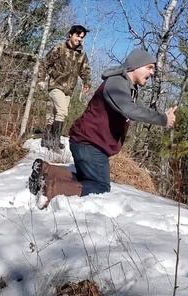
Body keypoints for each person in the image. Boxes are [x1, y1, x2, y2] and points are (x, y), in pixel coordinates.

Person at [29, 48, 177, 209]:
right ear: (135, 66)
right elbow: (131, 110)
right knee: (100, 187)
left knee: (87, 178)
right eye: (150, 67)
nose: (152, 72)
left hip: (89, 142)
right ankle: (51, 189)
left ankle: (46, 170)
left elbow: (136, 108)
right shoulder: (117, 83)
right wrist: (163, 119)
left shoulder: (127, 87)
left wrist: (161, 115)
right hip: (90, 143)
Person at [40, 25, 91, 151]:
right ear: (70, 35)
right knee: (62, 112)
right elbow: (45, 63)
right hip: (56, 85)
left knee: (56, 114)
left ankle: (47, 138)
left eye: (82, 37)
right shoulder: (59, 48)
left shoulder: (81, 54)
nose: (79, 39)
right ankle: (55, 142)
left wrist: (86, 83)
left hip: (69, 89)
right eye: (77, 36)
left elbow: (85, 70)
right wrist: (41, 80)